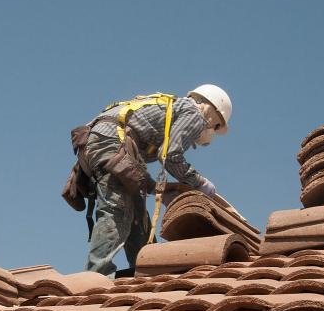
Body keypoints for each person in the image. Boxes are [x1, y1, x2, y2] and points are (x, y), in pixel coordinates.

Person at [78, 85, 232, 277]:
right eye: (216, 125)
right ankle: (94, 277)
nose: (211, 128)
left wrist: (156, 189)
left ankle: (147, 272)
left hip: (100, 144)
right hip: (110, 144)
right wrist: (199, 183)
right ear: (215, 109)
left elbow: (132, 163)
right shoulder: (194, 112)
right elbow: (171, 155)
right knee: (118, 211)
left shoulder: (171, 107)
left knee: (137, 218)